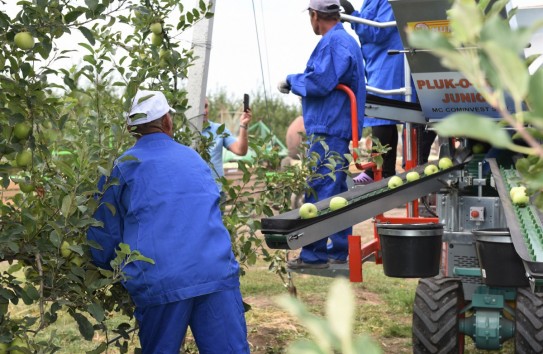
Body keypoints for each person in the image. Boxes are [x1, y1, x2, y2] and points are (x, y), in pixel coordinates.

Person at [87, 90, 250, 353]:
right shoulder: (194, 159)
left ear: (131, 129)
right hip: (214, 271)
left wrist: (108, 270)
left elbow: (102, 236)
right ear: (167, 122)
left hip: (161, 279)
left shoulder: (121, 167)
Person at [278, 0, 365, 268]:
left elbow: (320, 81)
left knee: (320, 190)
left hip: (329, 129)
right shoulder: (343, 41)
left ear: (315, 15)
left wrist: (292, 80)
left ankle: (314, 254)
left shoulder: (335, 42)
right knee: (336, 192)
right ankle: (337, 250)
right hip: (336, 127)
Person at [340, 0, 404, 184]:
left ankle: (376, 169)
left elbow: (378, 30)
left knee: (381, 112)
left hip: (389, 58)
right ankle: (386, 170)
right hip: (378, 58)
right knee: (385, 116)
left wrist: (353, 15)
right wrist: (354, 17)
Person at [203, 98, 252, 191]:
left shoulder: (219, 130)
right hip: (193, 192)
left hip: (217, 192)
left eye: (206, 106)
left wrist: (243, 125)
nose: (205, 111)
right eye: (201, 107)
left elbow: (240, 150)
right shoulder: (184, 134)